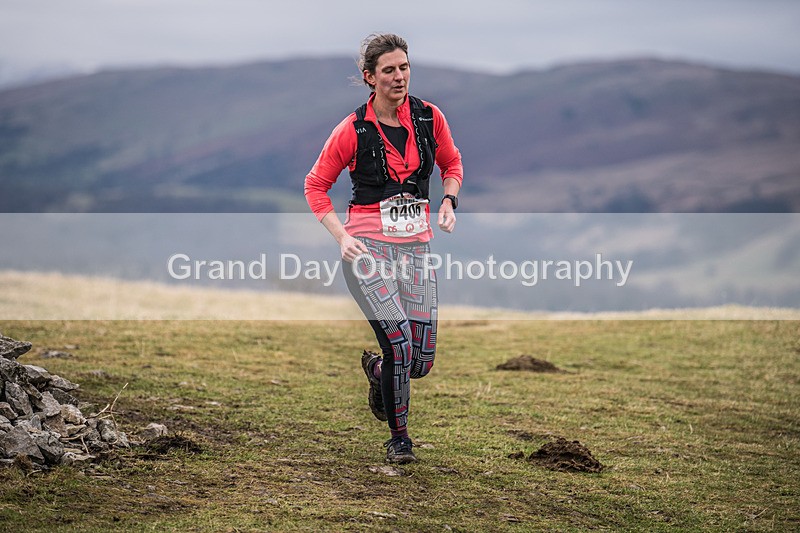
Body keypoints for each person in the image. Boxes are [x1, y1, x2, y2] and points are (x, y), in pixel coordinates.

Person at [304, 33, 463, 464]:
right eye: (389, 70)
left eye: (404, 67)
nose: (399, 76)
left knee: (420, 360)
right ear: (370, 77)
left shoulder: (430, 118)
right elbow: (316, 186)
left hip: (416, 250)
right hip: (367, 251)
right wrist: (343, 236)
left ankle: (378, 372)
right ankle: (400, 439)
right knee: (399, 344)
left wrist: (448, 200)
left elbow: (452, 164)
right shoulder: (352, 129)